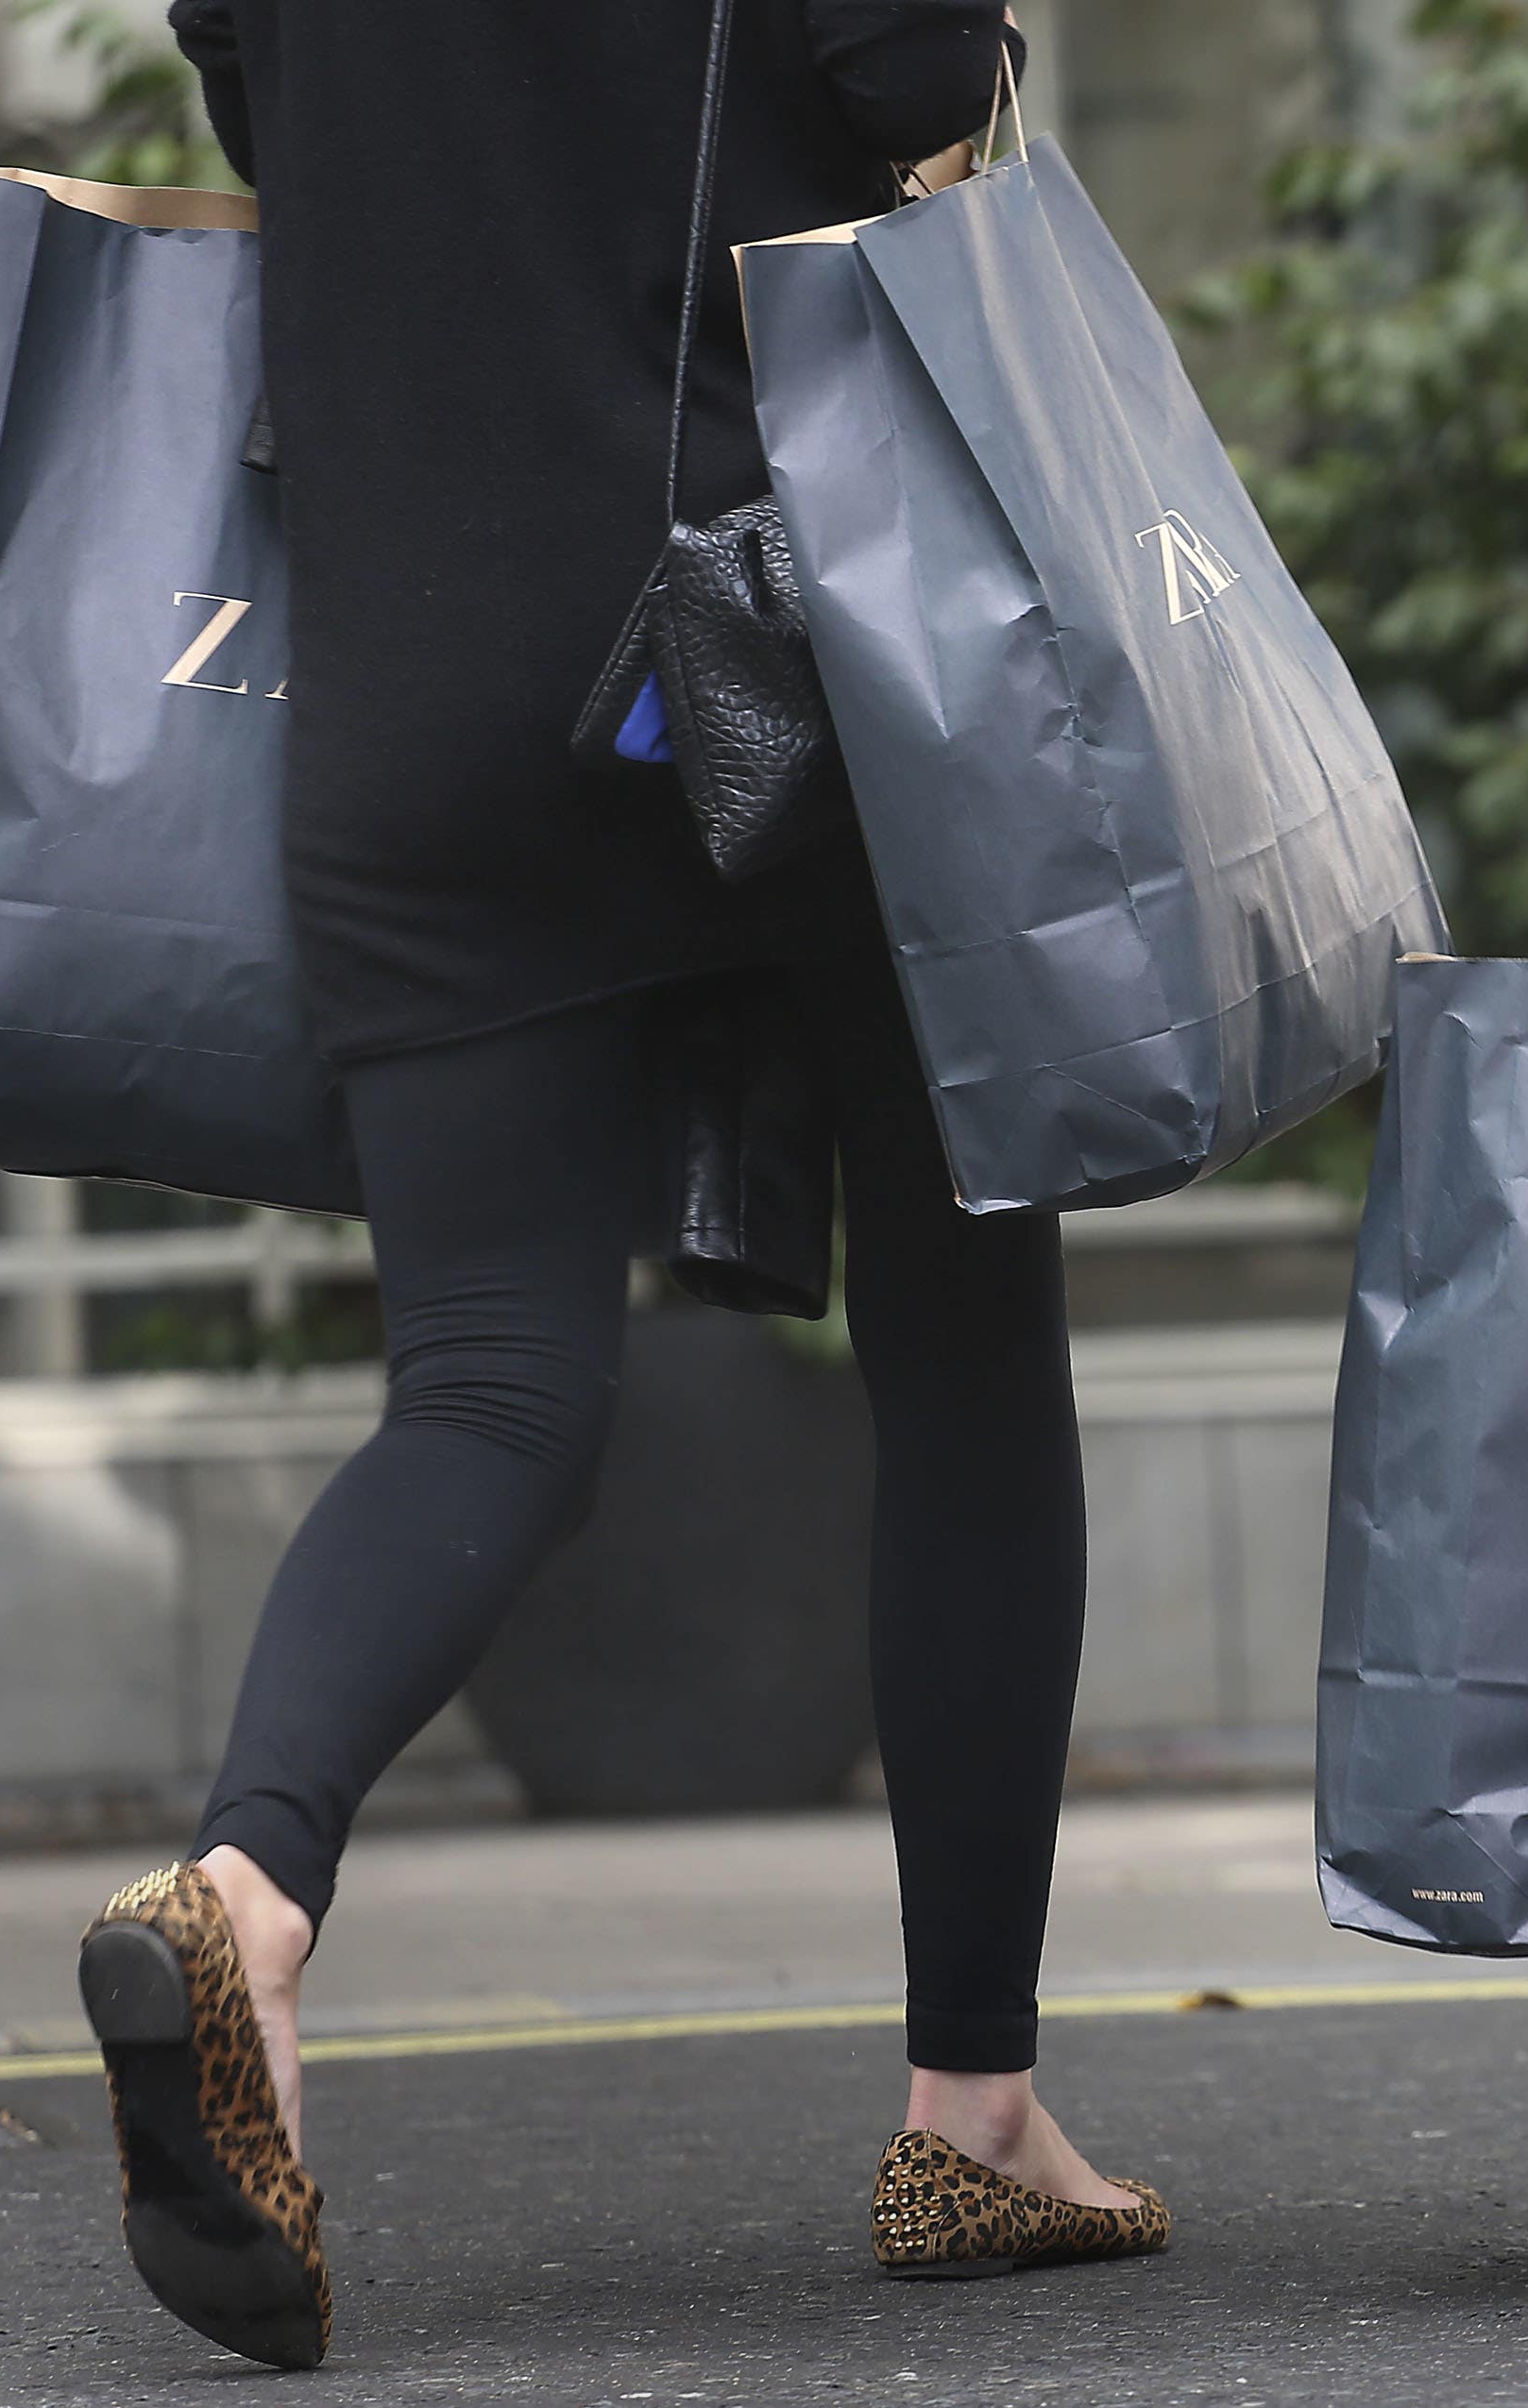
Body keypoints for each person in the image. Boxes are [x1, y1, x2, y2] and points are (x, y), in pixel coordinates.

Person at [71, 3, 1161, 2372]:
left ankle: (250, 1892)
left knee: (485, 1379)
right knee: (968, 1357)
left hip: (400, 670)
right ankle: (970, 2114)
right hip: (796, 624)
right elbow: (922, 89)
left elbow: (251, 91)